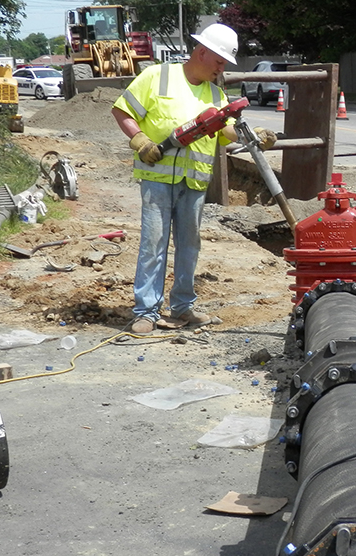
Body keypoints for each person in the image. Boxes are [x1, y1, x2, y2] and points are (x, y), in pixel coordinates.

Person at [111, 23, 276, 333]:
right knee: (153, 243)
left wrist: (252, 136)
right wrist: (140, 141)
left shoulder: (216, 92)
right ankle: (146, 311)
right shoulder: (157, 77)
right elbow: (123, 111)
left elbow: (224, 130)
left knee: (189, 245)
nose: (222, 68)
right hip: (158, 177)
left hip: (195, 182)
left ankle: (182, 307)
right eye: (219, 61)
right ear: (203, 52)